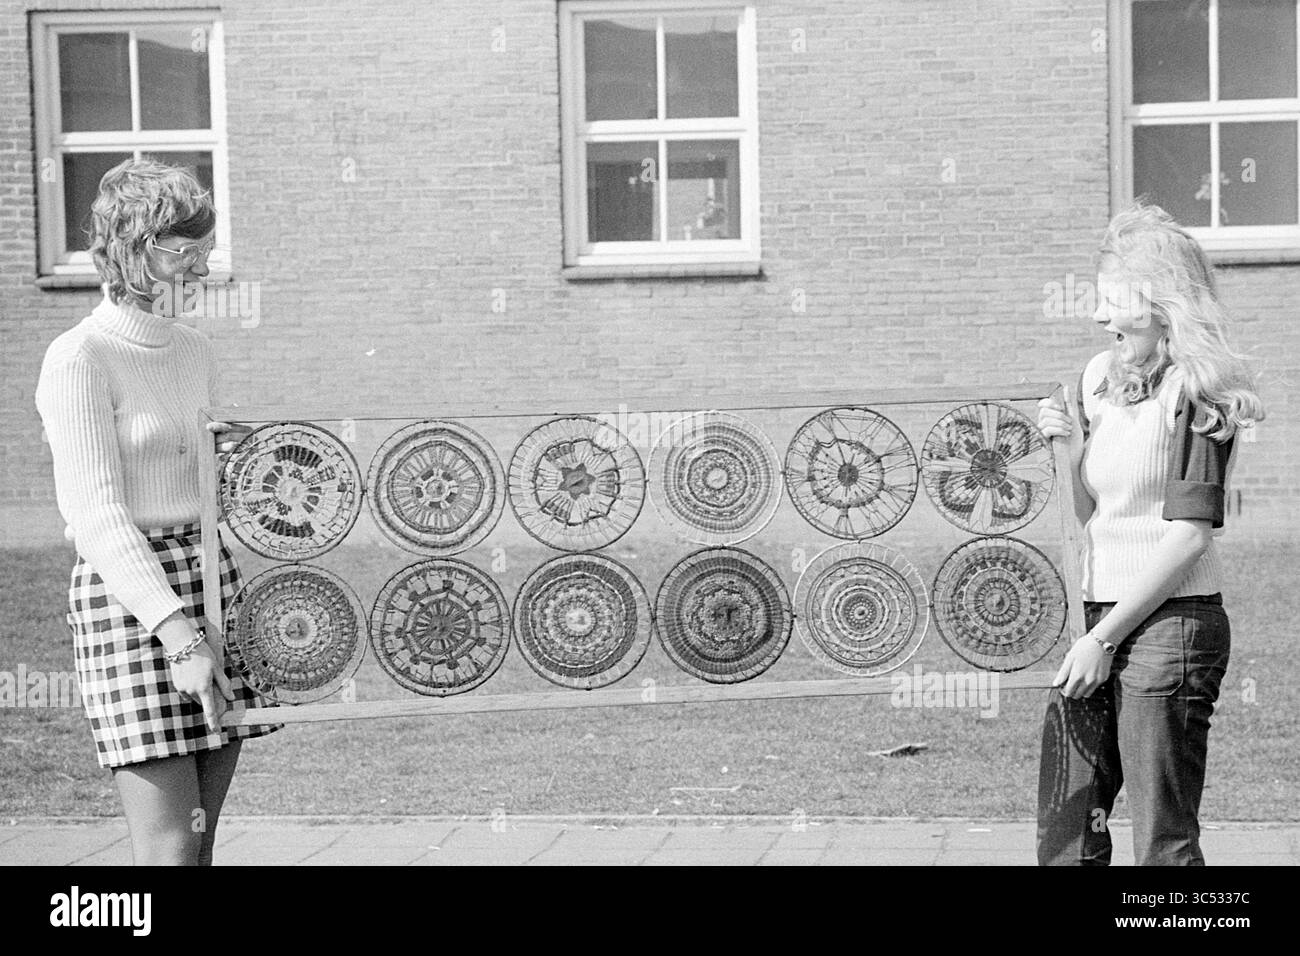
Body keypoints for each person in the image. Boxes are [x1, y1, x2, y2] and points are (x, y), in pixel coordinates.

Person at [35, 158, 278, 865]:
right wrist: (179, 639)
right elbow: (98, 519)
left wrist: (232, 464)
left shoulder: (195, 351)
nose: (203, 269)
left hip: (211, 577)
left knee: (199, 844)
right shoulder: (78, 357)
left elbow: (192, 485)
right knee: (169, 849)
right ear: (135, 250)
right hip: (133, 602)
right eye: (186, 254)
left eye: (207, 252)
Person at [1034, 202, 1265, 866]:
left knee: (1162, 843)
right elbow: (1089, 516)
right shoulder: (1096, 379)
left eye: (1113, 300)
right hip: (1098, 618)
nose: (1099, 316)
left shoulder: (1199, 392)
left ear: (1163, 304)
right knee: (1068, 825)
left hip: (1172, 628)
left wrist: (1105, 639)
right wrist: (1069, 446)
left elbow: (1188, 536)